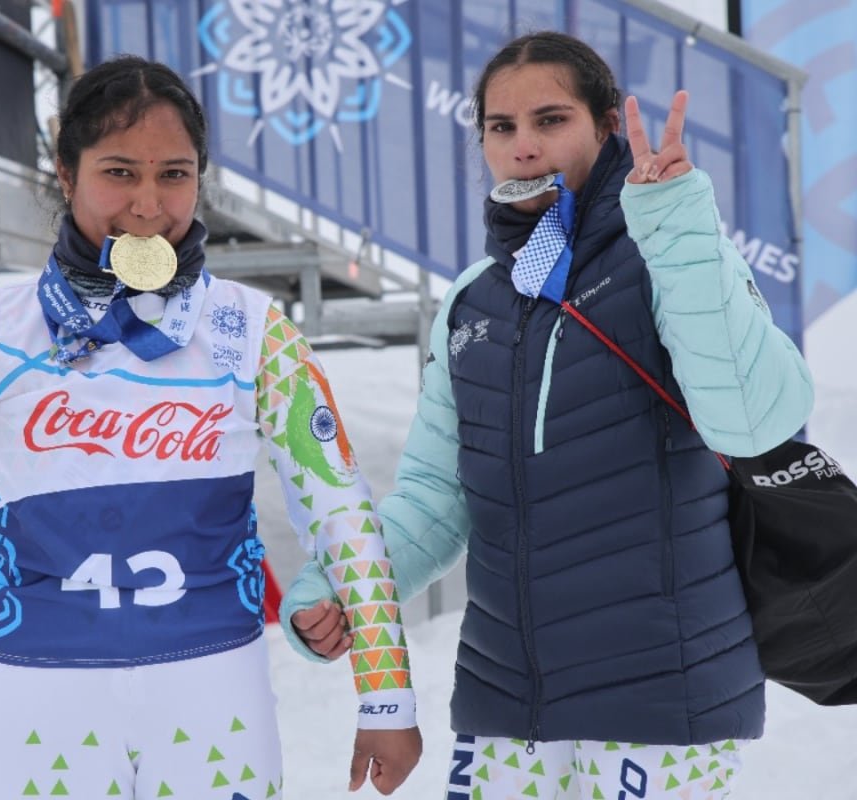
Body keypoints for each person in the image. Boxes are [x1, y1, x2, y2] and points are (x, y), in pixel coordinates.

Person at [0, 55, 422, 799]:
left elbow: (342, 513)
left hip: (213, 688)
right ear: (66, 171)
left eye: (174, 174)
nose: (148, 205)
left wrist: (387, 696)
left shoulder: (250, 329)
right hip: (43, 692)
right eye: (119, 172)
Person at [281, 31, 814, 800]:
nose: (523, 146)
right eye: (501, 127)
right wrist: (341, 585)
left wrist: (677, 227)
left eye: (551, 120)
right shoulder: (474, 300)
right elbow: (434, 495)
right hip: (508, 703)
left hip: (661, 703)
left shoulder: (671, 254)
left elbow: (755, 422)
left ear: (606, 125)